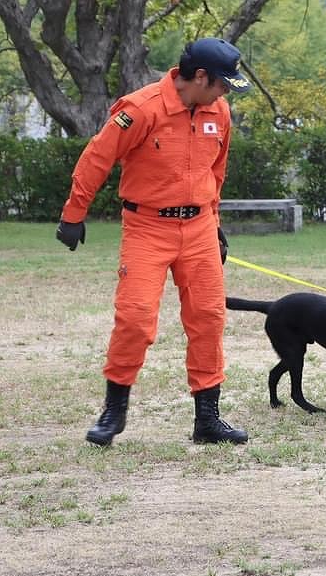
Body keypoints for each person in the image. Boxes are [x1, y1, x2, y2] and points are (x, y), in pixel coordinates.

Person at [56, 37, 252, 446]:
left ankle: (208, 419)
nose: (224, 94)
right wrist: (74, 214)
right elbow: (97, 158)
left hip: (198, 229)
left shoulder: (219, 111)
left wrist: (212, 222)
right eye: (222, 84)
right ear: (200, 77)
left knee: (208, 318)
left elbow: (216, 170)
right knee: (135, 318)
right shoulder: (142, 109)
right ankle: (114, 412)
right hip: (147, 228)